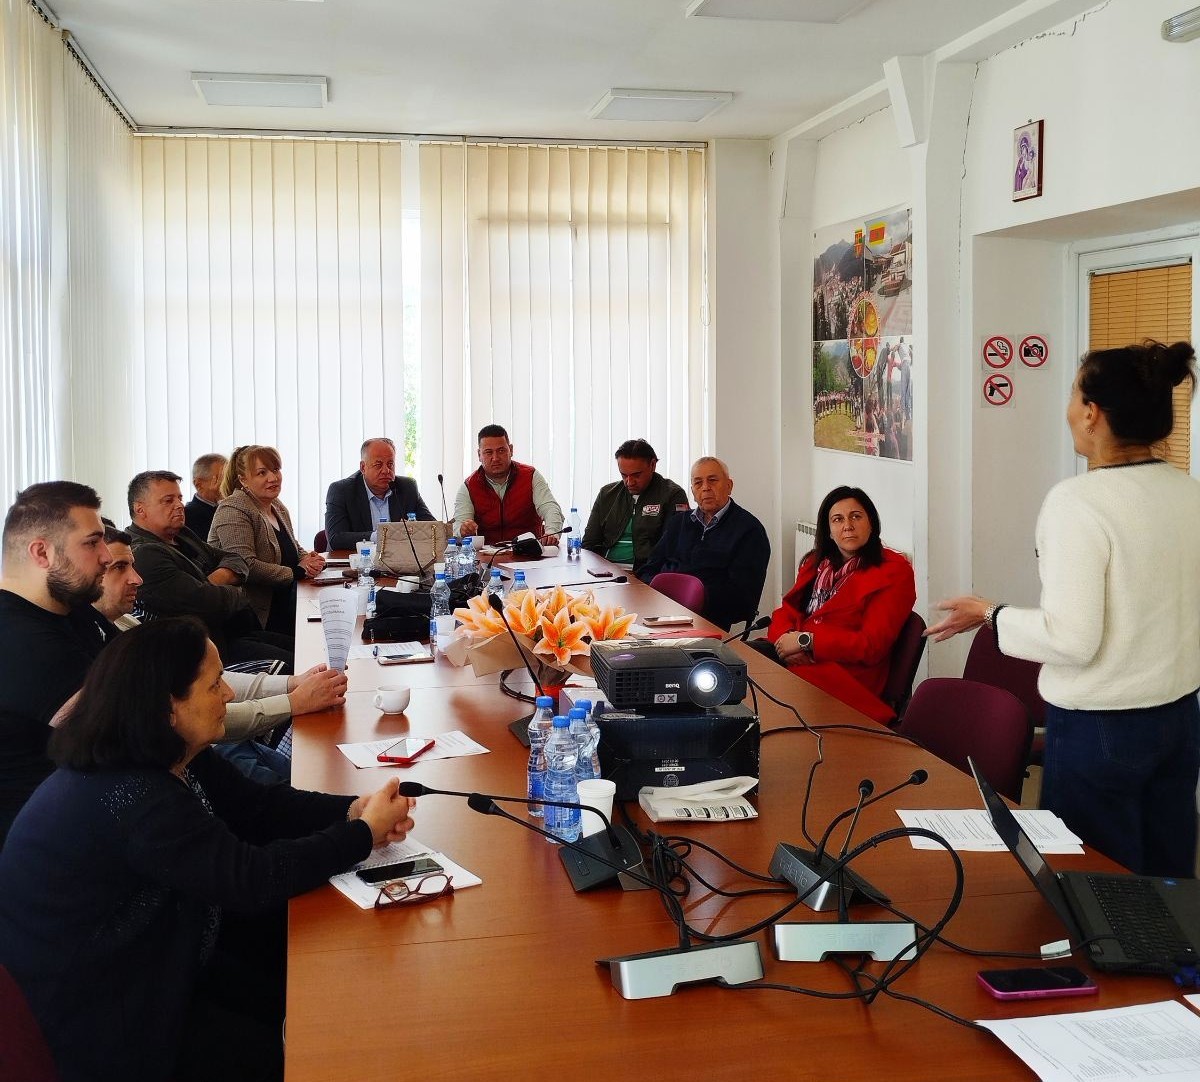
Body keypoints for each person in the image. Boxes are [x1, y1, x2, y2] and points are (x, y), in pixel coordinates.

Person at [0, 618, 416, 1082]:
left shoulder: (168, 752)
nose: (230, 694)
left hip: (166, 955)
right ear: (167, 707)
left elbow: (259, 807)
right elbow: (250, 879)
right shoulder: (130, 793)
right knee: (295, 1047)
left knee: (300, 989)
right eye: (215, 684)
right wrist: (362, 835)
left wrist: (352, 810)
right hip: (114, 1015)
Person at [927, 340, 1200, 878]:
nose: (1070, 409)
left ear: (1092, 413)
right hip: (1179, 719)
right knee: (1167, 885)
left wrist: (991, 614)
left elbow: (1072, 639)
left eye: (1074, 394)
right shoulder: (1187, 492)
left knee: (1093, 886)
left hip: (1102, 730)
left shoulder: (1078, 503)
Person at [93, 525, 347, 783]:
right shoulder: (105, 648)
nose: (137, 579)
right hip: (194, 752)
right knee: (295, 780)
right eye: (119, 568)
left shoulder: (127, 624)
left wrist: (293, 684)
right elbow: (199, 707)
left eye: (132, 567)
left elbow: (209, 679)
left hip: (205, 740)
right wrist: (293, 702)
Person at [0, 482, 116, 844]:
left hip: (97, 803)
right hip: (53, 841)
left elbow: (149, 676)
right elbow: (130, 729)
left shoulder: (72, 607)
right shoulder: (16, 639)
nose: (106, 556)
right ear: (41, 552)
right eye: (92, 543)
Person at [763, 486, 915, 724]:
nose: (848, 526)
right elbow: (788, 609)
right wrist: (785, 640)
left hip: (845, 680)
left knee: (763, 700)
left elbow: (871, 646)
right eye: (838, 519)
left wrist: (807, 642)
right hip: (797, 662)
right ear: (829, 531)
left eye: (856, 516)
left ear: (871, 523)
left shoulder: (895, 572)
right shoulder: (816, 562)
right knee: (737, 667)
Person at [126, 470, 293, 669]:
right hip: (206, 652)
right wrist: (239, 591)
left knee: (306, 648)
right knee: (297, 666)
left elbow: (235, 559)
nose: (179, 505)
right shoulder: (144, 554)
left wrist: (214, 579)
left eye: (179, 498)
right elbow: (207, 603)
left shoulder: (181, 534)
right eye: (168, 500)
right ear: (140, 509)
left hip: (235, 633)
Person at [639, 456, 770, 631]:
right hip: (661, 611)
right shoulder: (679, 522)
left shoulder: (749, 530)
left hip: (706, 619)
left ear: (729, 486)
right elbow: (649, 568)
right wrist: (655, 592)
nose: (706, 487)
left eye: (713, 480)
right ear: (692, 491)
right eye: (698, 483)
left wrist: (692, 596)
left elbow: (743, 599)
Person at [209, 445, 325, 638]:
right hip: (255, 616)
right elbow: (245, 565)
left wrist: (310, 559)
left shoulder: (276, 505)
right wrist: (297, 571)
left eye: (275, 469)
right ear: (243, 480)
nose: (273, 478)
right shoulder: (233, 509)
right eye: (262, 473)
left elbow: (293, 546)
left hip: (287, 602)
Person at [581, 439, 689, 575]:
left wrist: (645, 576)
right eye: (624, 475)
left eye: (636, 475)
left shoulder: (672, 494)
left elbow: (674, 549)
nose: (629, 482)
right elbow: (589, 544)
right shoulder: (607, 494)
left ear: (653, 465)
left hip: (646, 574)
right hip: (604, 572)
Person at [453, 424, 564, 545]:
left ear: (511, 450)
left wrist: (551, 532)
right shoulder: (468, 487)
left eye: (501, 451)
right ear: (479, 455)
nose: (495, 458)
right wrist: (463, 529)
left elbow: (550, 507)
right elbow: (459, 524)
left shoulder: (531, 476)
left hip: (529, 552)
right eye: (488, 452)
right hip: (486, 554)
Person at [324, 436, 435, 552]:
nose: (386, 470)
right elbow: (336, 538)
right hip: (353, 560)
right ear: (363, 467)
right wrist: (380, 536)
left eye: (390, 464)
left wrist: (416, 529)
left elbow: (434, 528)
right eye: (378, 465)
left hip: (399, 559)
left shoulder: (407, 488)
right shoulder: (341, 491)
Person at [185, 452, 227, 539]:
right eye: (221, 479)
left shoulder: (227, 506)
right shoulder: (188, 515)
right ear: (198, 484)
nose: (227, 484)